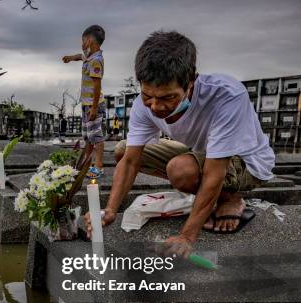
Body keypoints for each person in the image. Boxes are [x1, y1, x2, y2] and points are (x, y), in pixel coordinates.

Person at [85, 31, 275, 257]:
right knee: (123, 150)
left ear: (191, 82)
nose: (155, 106)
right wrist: (109, 210)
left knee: (181, 170)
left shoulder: (226, 96)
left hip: (248, 163)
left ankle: (231, 198)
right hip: (202, 153)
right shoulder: (142, 105)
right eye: (148, 96)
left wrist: (187, 236)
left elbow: (214, 173)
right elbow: (130, 161)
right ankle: (209, 195)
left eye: (168, 98)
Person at [62, 24, 106, 179]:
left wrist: (94, 108)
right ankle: (85, 164)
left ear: (88, 41)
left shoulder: (96, 61)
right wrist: (70, 58)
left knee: (96, 136)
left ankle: (98, 167)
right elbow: (79, 56)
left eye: (82, 41)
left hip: (94, 105)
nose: (81, 45)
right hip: (86, 104)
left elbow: (97, 85)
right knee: (87, 137)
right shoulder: (88, 57)